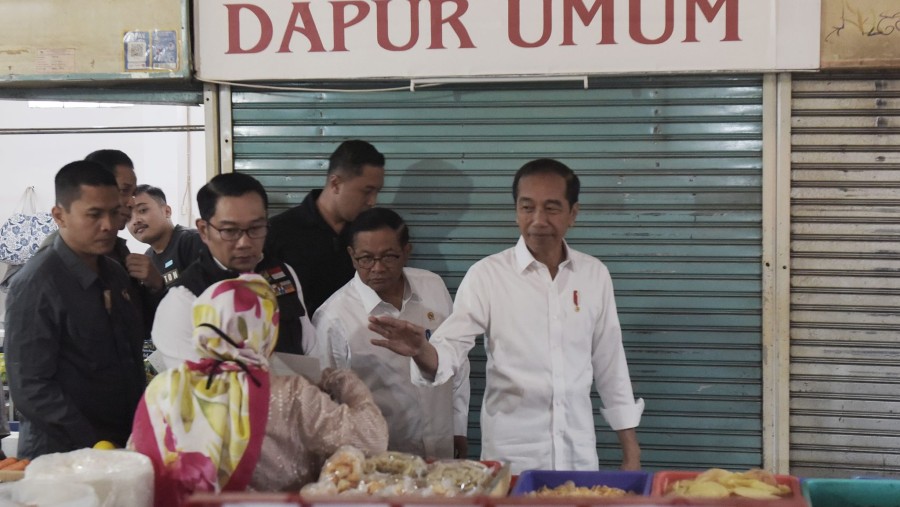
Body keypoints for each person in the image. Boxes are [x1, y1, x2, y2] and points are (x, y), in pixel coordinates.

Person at [368, 159, 644, 474]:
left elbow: (611, 363)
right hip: (513, 461)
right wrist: (422, 351)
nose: (538, 220)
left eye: (552, 208)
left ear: (573, 214)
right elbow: (451, 347)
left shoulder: (594, 275)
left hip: (577, 457)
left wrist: (630, 452)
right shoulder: (487, 276)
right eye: (527, 207)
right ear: (516, 211)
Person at [131, 274, 388, 505]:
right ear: (266, 330)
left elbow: (137, 465)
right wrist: (343, 380)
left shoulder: (164, 388)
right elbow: (372, 439)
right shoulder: (290, 394)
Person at [5, 160, 146, 458]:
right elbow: (30, 387)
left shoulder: (115, 272)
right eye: (94, 214)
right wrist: (93, 443)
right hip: (63, 456)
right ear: (60, 215)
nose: (108, 224)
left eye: (113, 211)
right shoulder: (35, 284)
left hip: (121, 444)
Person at [313, 208, 470, 460]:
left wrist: (459, 426)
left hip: (442, 445)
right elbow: (329, 401)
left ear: (406, 252)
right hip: (381, 458)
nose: (377, 268)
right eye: (366, 258)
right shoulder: (334, 318)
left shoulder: (433, 287)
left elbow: (458, 362)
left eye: (389, 257)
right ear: (352, 257)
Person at [152, 172, 323, 370]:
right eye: (230, 231)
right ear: (204, 231)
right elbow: (200, 390)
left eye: (256, 228)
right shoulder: (183, 301)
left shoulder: (282, 274)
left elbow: (311, 350)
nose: (244, 242)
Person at [266, 140, 385, 315]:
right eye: (366, 191)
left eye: (377, 192)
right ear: (335, 184)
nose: (372, 201)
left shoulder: (369, 235)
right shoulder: (279, 232)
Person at [85, 149, 164, 292]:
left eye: (133, 193)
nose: (132, 203)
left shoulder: (118, 250)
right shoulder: (58, 267)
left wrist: (156, 285)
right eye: (124, 190)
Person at [128, 184, 206, 288]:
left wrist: (159, 284)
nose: (135, 221)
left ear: (167, 211)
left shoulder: (192, 241)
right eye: (128, 216)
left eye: (143, 210)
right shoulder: (148, 257)